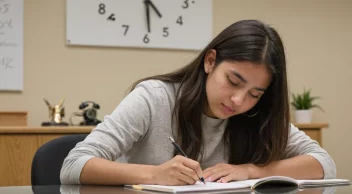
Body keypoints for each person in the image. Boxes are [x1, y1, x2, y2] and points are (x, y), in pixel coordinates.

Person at [60, 20, 336, 186]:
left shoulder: (256, 116)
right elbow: (73, 165)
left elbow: (323, 163)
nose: (239, 101)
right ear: (210, 61)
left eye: (255, 94)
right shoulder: (154, 98)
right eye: (234, 81)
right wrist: (154, 175)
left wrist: (250, 171)